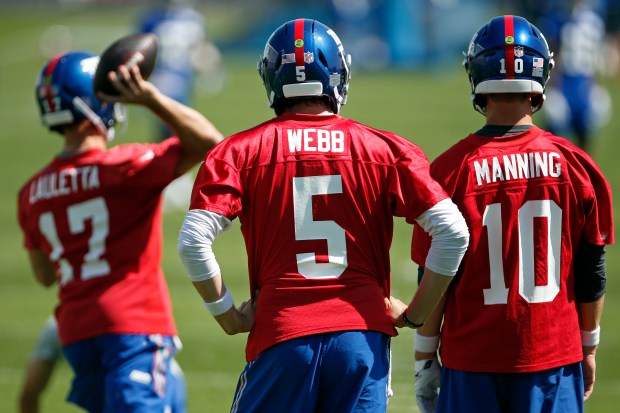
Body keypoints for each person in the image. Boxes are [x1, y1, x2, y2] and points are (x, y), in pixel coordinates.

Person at [177, 18, 469, 412]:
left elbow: (193, 241)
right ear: (339, 75)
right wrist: (417, 314)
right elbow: (452, 233)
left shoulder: (239, 152)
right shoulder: (384, 149)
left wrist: (226, 313)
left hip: (283, 335)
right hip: (360, 341)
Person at [411, 15, 614, 413]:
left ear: (475, 74)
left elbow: (433, 275)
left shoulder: (449, 170)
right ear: (541, 74)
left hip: (472, 363)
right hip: (553, 358)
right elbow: (592, 270)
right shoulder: (576, 164)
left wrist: (423, 357)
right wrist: (588, 344)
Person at [17, 50, 223, 412]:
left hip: (77, 336)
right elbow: (213, 144)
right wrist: (151, 97)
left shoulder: (31, 193)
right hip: (132, 327)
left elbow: (46, 275)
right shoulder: (124, 166)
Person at [137, 0, 225, 212]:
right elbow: (201, 51)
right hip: (177, 78)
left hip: (161, 80)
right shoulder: (191, 20)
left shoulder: (153, 19)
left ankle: (172, 177)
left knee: (170, 130)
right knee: (176, 129)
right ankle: (173, 178)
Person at [17, 316, 187, 413]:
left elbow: (29, 394)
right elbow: (29, 395)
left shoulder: (59, 326)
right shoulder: (57, 327)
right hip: (154, 378)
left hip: (157, 381)